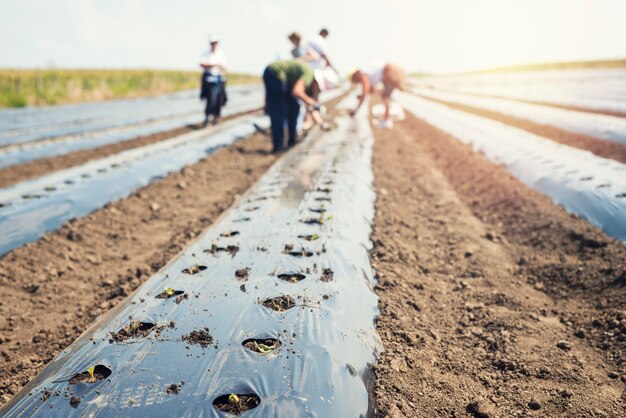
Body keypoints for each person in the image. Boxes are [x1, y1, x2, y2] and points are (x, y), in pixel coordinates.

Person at [262, 60, 335, 153]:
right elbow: (297, 92)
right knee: (279, 110)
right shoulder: (308, 75)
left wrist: (321, 123)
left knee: (294, 107)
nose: (317, 91)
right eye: (319, 88)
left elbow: (311, 107)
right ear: (316, 82)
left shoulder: (311, 85)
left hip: (282, 79)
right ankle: (278, 146)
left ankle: (292, 140)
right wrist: (311, 102)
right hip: (273, 73)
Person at [199, 35, 228, 126]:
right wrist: (213, 65)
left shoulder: (221, 54)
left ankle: (217, 116)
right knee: (209, 98)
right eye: (212, 43)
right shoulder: (206, 53)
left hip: (218, 78)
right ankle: (208, 115)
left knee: (219, 98)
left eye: (215, 43)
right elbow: (202, 64)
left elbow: (224, 66)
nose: (214, 45)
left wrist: (216, 66)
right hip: (208, 78)